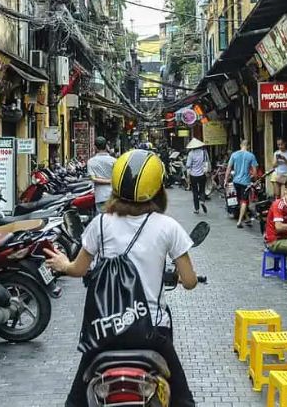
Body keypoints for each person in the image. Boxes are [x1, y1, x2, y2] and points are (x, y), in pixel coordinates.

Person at [44, 149, 199, 407]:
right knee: (183, 400)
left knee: (74, 402)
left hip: (106, 329)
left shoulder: (100, 224)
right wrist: (182, 279)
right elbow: (190, 281)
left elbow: (78, 269)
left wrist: (62, 263)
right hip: (153, 332)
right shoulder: (168, 227)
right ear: (158, 188)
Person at [224, 139, 259, 228]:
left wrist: (225, 180)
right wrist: (255, 181)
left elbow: (228, 168)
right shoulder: (251, 156)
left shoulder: (234, 155)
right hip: (245, 182)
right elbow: (255, 171)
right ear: (248, 146)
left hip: (236, 181)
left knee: (241, 200)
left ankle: (246, 218)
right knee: (244, 201)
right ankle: (239, 221)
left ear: (241, 145)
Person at [87, 137, 116, 213]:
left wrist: (108, 181)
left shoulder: (91, 161)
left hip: (100, 196)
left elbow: (93, 178)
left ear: (95, 147)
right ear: (106, 146)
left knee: (101, 218)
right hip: (113, 195)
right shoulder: (114, 161)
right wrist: (111, 181)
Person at [185, 138, 209, 215]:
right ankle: (202, 201)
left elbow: (188, 165)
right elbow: (206, 163)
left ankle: (197, 209)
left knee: (195, 192)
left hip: (193, 175)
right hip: (202, 175)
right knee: (202, 189)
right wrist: (205, 171)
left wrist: (188, 176)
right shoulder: (204, 152)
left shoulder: (191, 154)